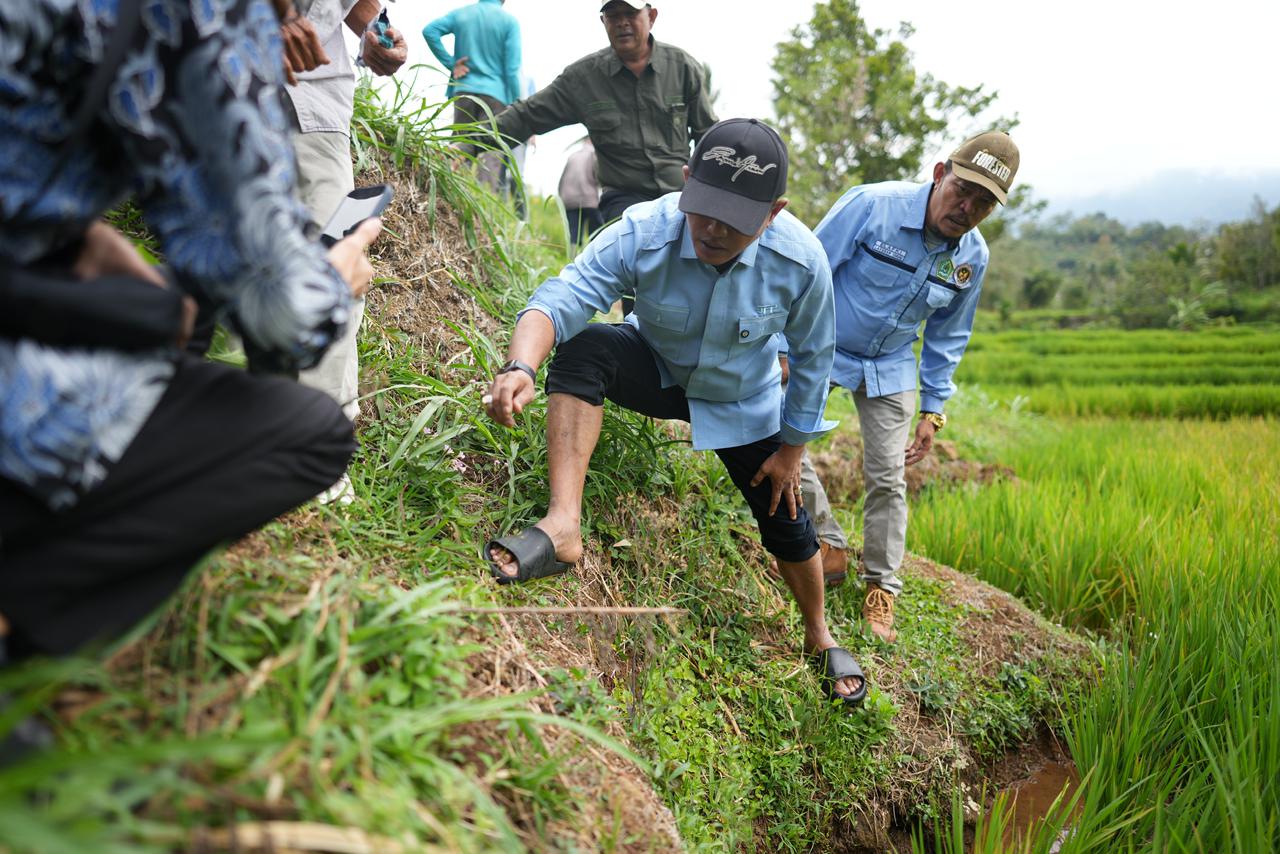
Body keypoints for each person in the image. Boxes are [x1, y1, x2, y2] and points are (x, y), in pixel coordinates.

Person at [0, 0, 379, 709]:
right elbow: (284, 314)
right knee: (310, 432)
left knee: (155, 318)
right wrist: (335, 282)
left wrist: (82, 238)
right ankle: (17, 631)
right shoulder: (205, 17)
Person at [483, 119, 866, 707]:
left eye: (735, 219)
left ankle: (819, 634)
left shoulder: (802, 261)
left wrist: (792, 451)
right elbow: (564, 296)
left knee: (786, 518)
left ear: (773, 213)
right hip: (658, 368)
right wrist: (520, 367)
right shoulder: (646, 228)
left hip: (743, 399)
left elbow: (815, 359)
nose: (713, 229)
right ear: (686, 181)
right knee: (585, 349)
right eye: (703, 208)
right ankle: (562, 527)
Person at [802, 131, 1021, 643]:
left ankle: (881, 587)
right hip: (825, 343)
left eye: (984, 203)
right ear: (940, 173)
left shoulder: (972, 257)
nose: (967, 208)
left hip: (891, 362)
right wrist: (788, 348)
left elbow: (949, 334)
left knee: (887, 476)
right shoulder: (872, 206)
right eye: (963, 190)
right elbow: (808, 271)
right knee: (779, 433)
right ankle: (828, 544)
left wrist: (933, 408)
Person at [282, 0, 407, 505]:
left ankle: (315, 446)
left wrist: (375, 31)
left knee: (336, 265)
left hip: (317, 101)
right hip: (229, 78)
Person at [493, 1, 716, 226]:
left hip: (681, 195)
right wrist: (474, 139)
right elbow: (527, 115)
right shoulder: (583, 78)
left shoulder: (683, 67)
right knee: (629, 239)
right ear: (603, 21)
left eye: (630, 13)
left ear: (652, 17)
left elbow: (709, 137)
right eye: (613, 16)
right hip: (623, 201)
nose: (622, 23)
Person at [423, 0, 523, 191]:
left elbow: (430, 30)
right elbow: (512, 69)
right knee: (491, 150)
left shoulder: (462, 14)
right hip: (496, 96)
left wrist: (452, 64)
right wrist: (516, 103)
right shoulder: (509, 22)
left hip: (463, 89)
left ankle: (453, 192)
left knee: (460, 145)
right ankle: (483, 199)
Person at [558, 139, 603, 247]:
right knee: (596, 233)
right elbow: (599, 176)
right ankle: (593, 256)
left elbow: (562, 180)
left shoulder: (572, 156)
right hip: (589, 199)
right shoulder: (593, 154)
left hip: (569, 200)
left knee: (574, 235)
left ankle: (572, 256)